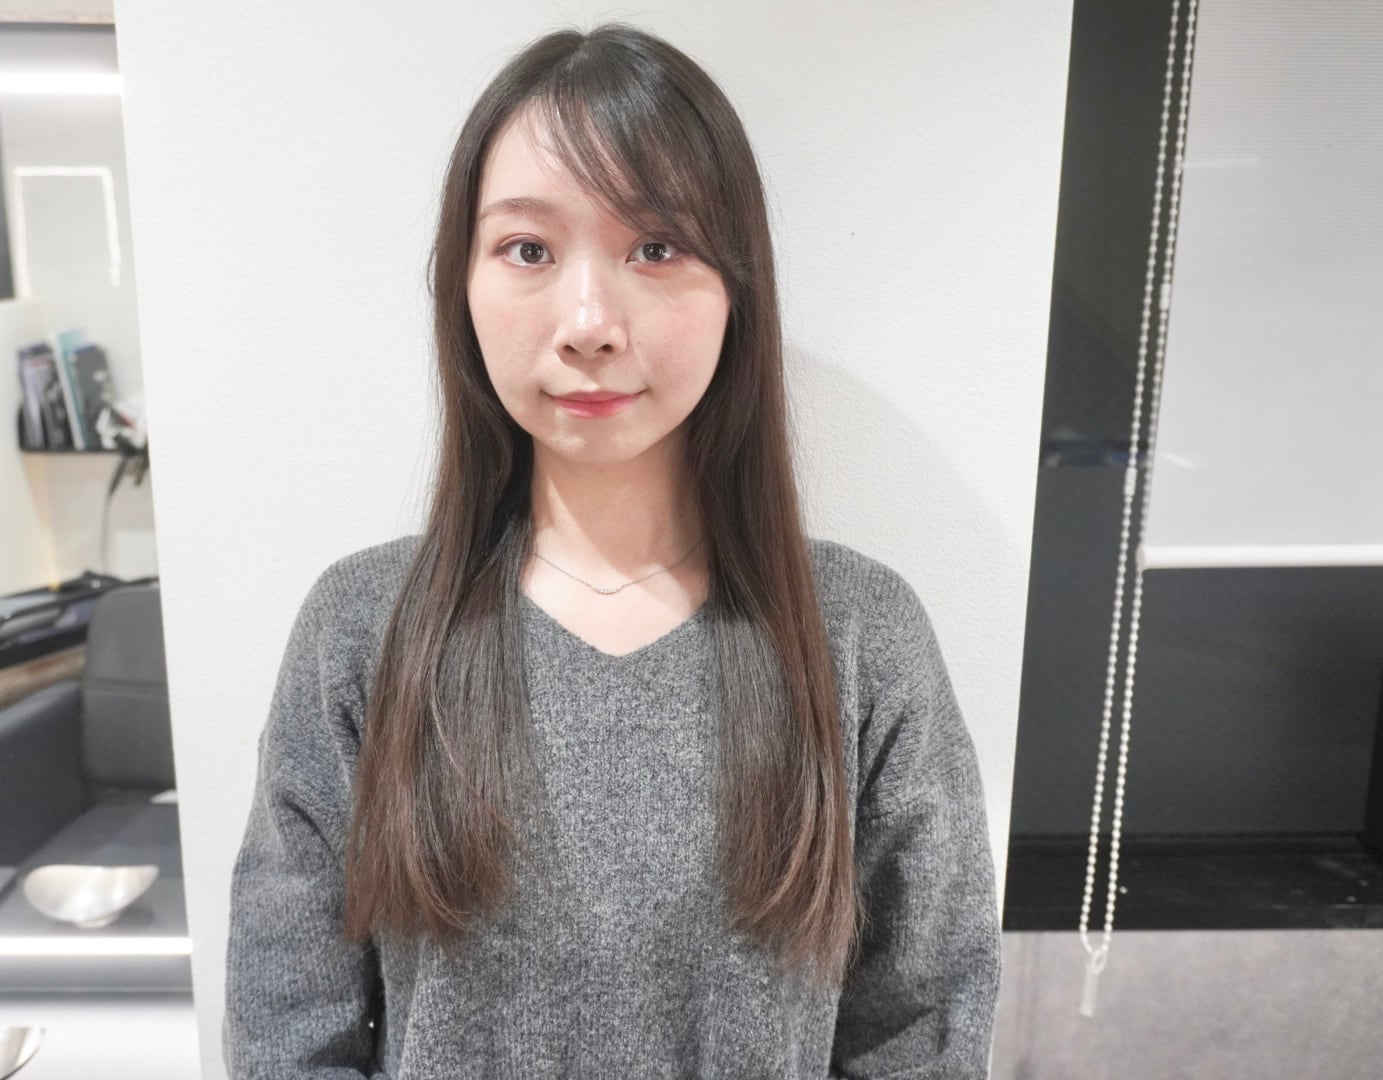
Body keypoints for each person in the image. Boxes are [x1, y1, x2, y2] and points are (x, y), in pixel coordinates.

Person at [223, 22, 1001, 1079]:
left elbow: (920, 1029)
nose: (588, 322)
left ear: (735, 286)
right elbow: (285, 1032)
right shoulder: (364, 628)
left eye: (655, 246)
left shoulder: (859, 635)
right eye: (528, 250)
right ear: (462, 285)